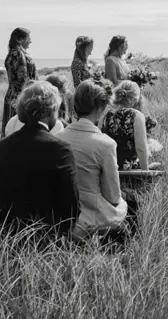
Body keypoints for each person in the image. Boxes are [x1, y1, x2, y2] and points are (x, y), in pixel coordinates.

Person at [0, 81, 80, 240]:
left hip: (3, 230)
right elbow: (71, 205)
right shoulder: (60, 148)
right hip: (44, 234)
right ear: (52, 111)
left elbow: (4, 194)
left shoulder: (3, 146)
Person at [57, 79, 129, 242]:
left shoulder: (57, 138)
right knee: (128, 203)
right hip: (91, 216)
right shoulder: (105, 144)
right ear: (100, 108)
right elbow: (113, 196)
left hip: (62, 216)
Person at [102, 80, 160, 171]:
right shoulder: (136, 116)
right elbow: (141, 148)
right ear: (136, 98)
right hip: (129, 169)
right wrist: (145, 171)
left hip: (108, 168)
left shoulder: (104, 116)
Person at [1, 27, 37, 137]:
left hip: (15, 95)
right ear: (20, 40)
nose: (30, 41)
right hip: (20, 96)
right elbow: (23, 79)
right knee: (17, 130)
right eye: (28, 38)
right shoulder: (17, 54)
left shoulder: (13, 53)